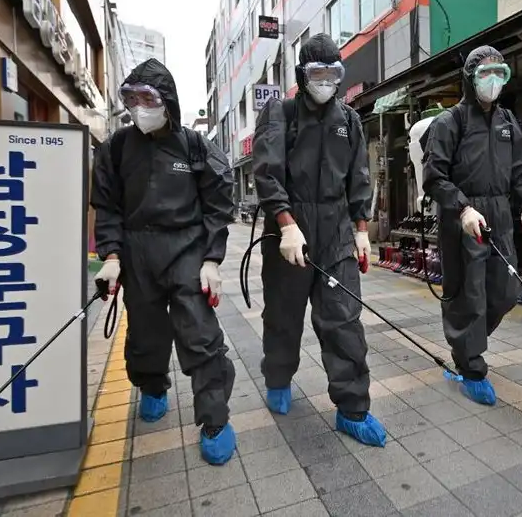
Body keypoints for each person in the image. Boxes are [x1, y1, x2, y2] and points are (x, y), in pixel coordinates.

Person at [90, 58, 238, 465]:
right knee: (145, 332)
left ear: (167, 100)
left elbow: (218, 204)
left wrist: (211, 259)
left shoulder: (193, 146)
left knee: (200, 335)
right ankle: (152, 385)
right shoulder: (116, 149)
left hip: (187, 249)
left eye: (147, 98)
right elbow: (107, 207)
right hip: (138, 255)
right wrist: (112, 256)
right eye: (131, 98)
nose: (139, 106)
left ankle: (215, 419)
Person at [252, 33, 386, 447]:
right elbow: (267, 172)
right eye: (318, 73)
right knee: (283, 315)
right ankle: (278, 376)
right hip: (289, 232)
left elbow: (358, 180)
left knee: (344, 320)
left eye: (333, 73)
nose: (326, 81)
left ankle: (352, 409)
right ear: (302, 75)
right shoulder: (281, 113)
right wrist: (286, 223)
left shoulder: (349, 121)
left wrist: (361, 232)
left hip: (336, 233)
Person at [422, 45, 522, 406]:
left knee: (504, 290)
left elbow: (519, 171)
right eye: (485, 74)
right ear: (470, 78)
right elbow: (434, 176)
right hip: (465, 216)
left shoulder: (508, 124)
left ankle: (466, 342)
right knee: (469, 290)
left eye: (499, 74)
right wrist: (462, 207)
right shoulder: (450, 122)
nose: (493, 81)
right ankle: (470, 364)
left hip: (500, 213)